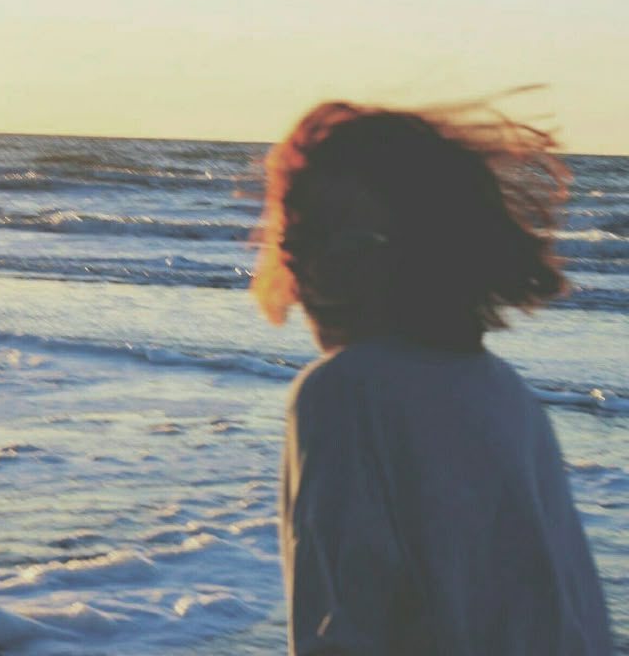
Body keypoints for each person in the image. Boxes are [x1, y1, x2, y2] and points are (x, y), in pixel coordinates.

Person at [251, 99, 613, 655]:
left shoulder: (346, 390)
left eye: (349, 245)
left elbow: (342, 631)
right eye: (297, 243)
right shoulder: (506, 394)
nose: (314, 272)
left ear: (428, 251)